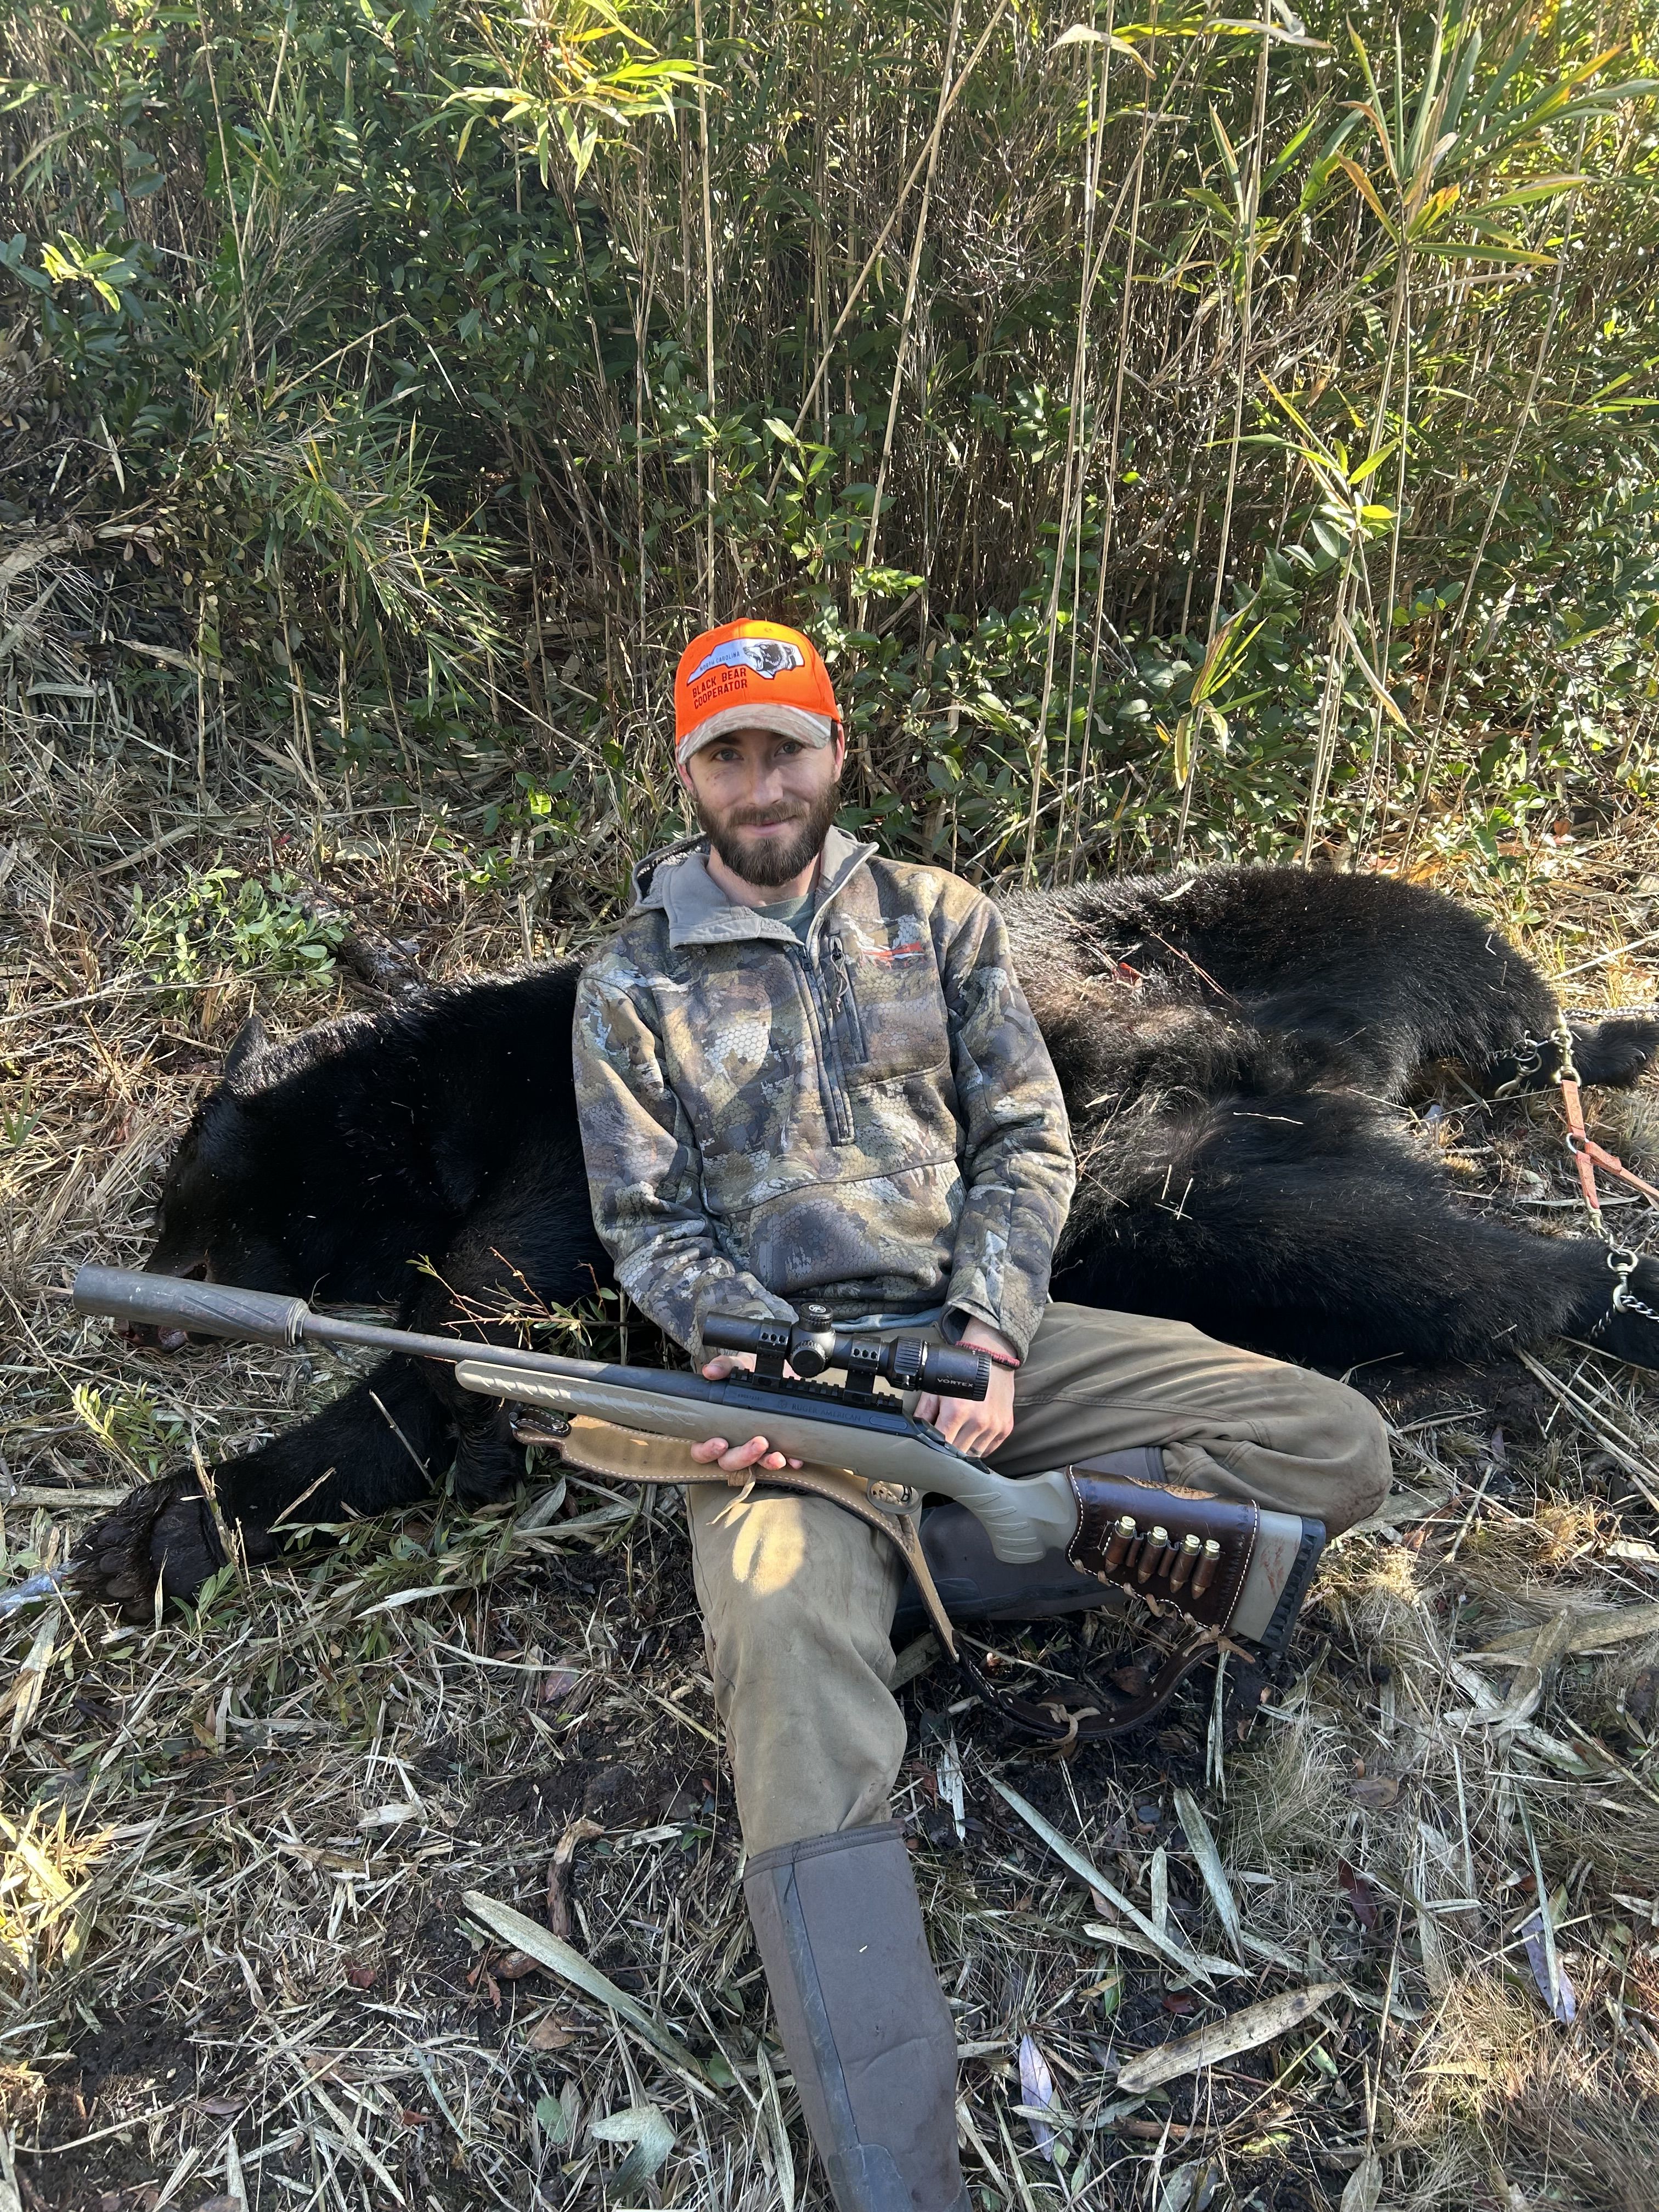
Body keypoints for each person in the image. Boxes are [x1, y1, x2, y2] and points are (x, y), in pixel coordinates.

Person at [573, 617, 1391, 2212]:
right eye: (728, 756)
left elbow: (1028, 1143)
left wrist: (995, 1334)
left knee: (1329, 1443)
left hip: (974, 1340)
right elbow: (645, 1228)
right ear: (689, 773)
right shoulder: (632, 978)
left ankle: (941, 1558)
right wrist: (751, 1362)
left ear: (835, 751)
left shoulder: (939, 920)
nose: (762, 783)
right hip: (783, 1385)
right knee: (785, 1662)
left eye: (787, 747)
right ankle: (901, 2177)